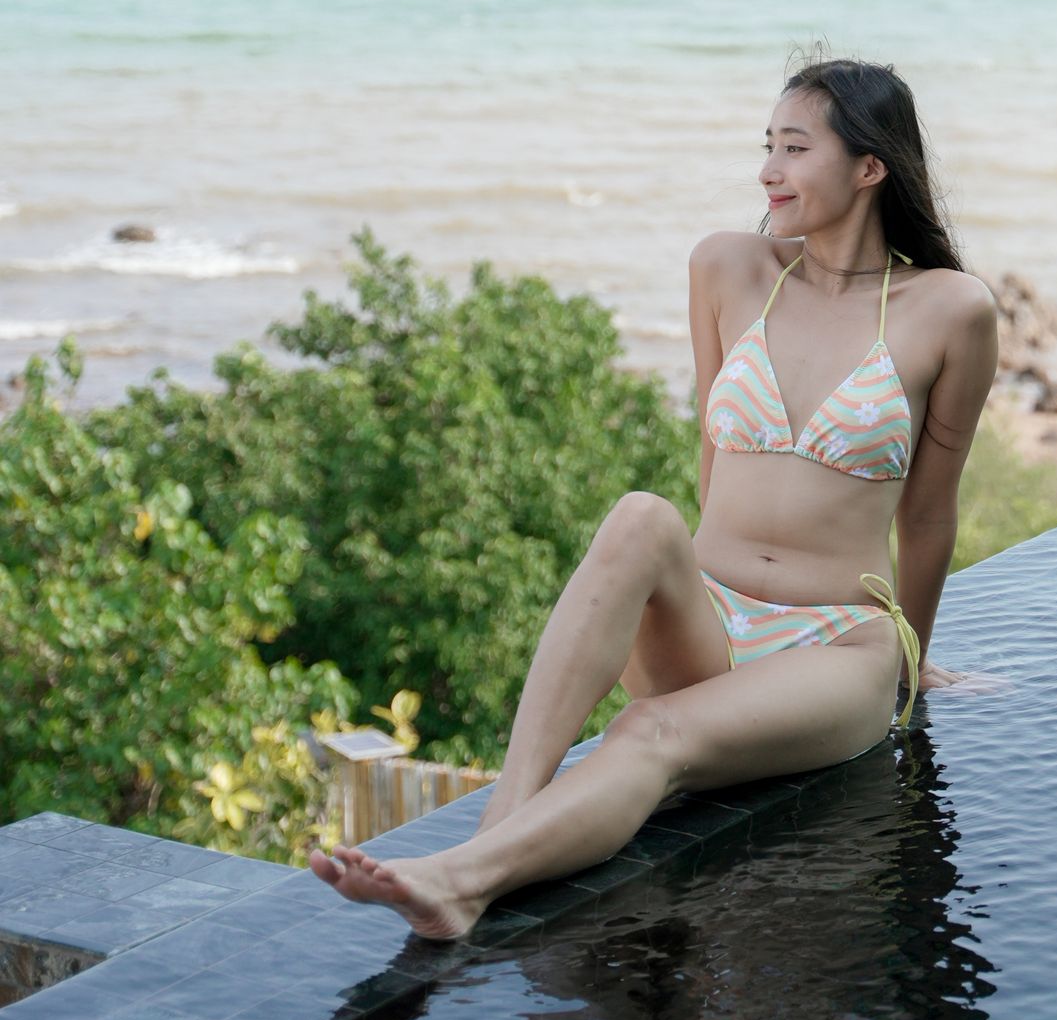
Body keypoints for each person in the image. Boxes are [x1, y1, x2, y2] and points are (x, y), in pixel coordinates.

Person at [310, 56, 1000, 938]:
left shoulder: (951, 309)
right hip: (706, 619)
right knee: (643, 513)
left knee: (647, 735)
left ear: (870, 167)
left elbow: (931, 512)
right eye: (767, 147)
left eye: (795, 149)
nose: (768, 171)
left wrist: (913, 660)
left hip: (834, 643)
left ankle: (462, 884)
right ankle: (501, 824)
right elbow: (712, 455)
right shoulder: (727, 267)